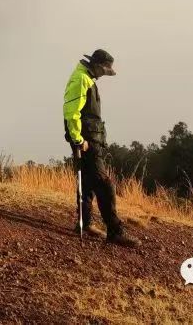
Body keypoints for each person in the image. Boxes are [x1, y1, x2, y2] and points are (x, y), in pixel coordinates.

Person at [63, 49, 138, 247]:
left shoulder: (87, 78)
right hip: (86, 140)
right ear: (96, 65)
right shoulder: (81, 79)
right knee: (104, 184)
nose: (104, 74)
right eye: (104, 70)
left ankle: (85, 223)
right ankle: (115, 230)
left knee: (87, 182)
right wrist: (78, 139)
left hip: (90, 138)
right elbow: (71, 112)